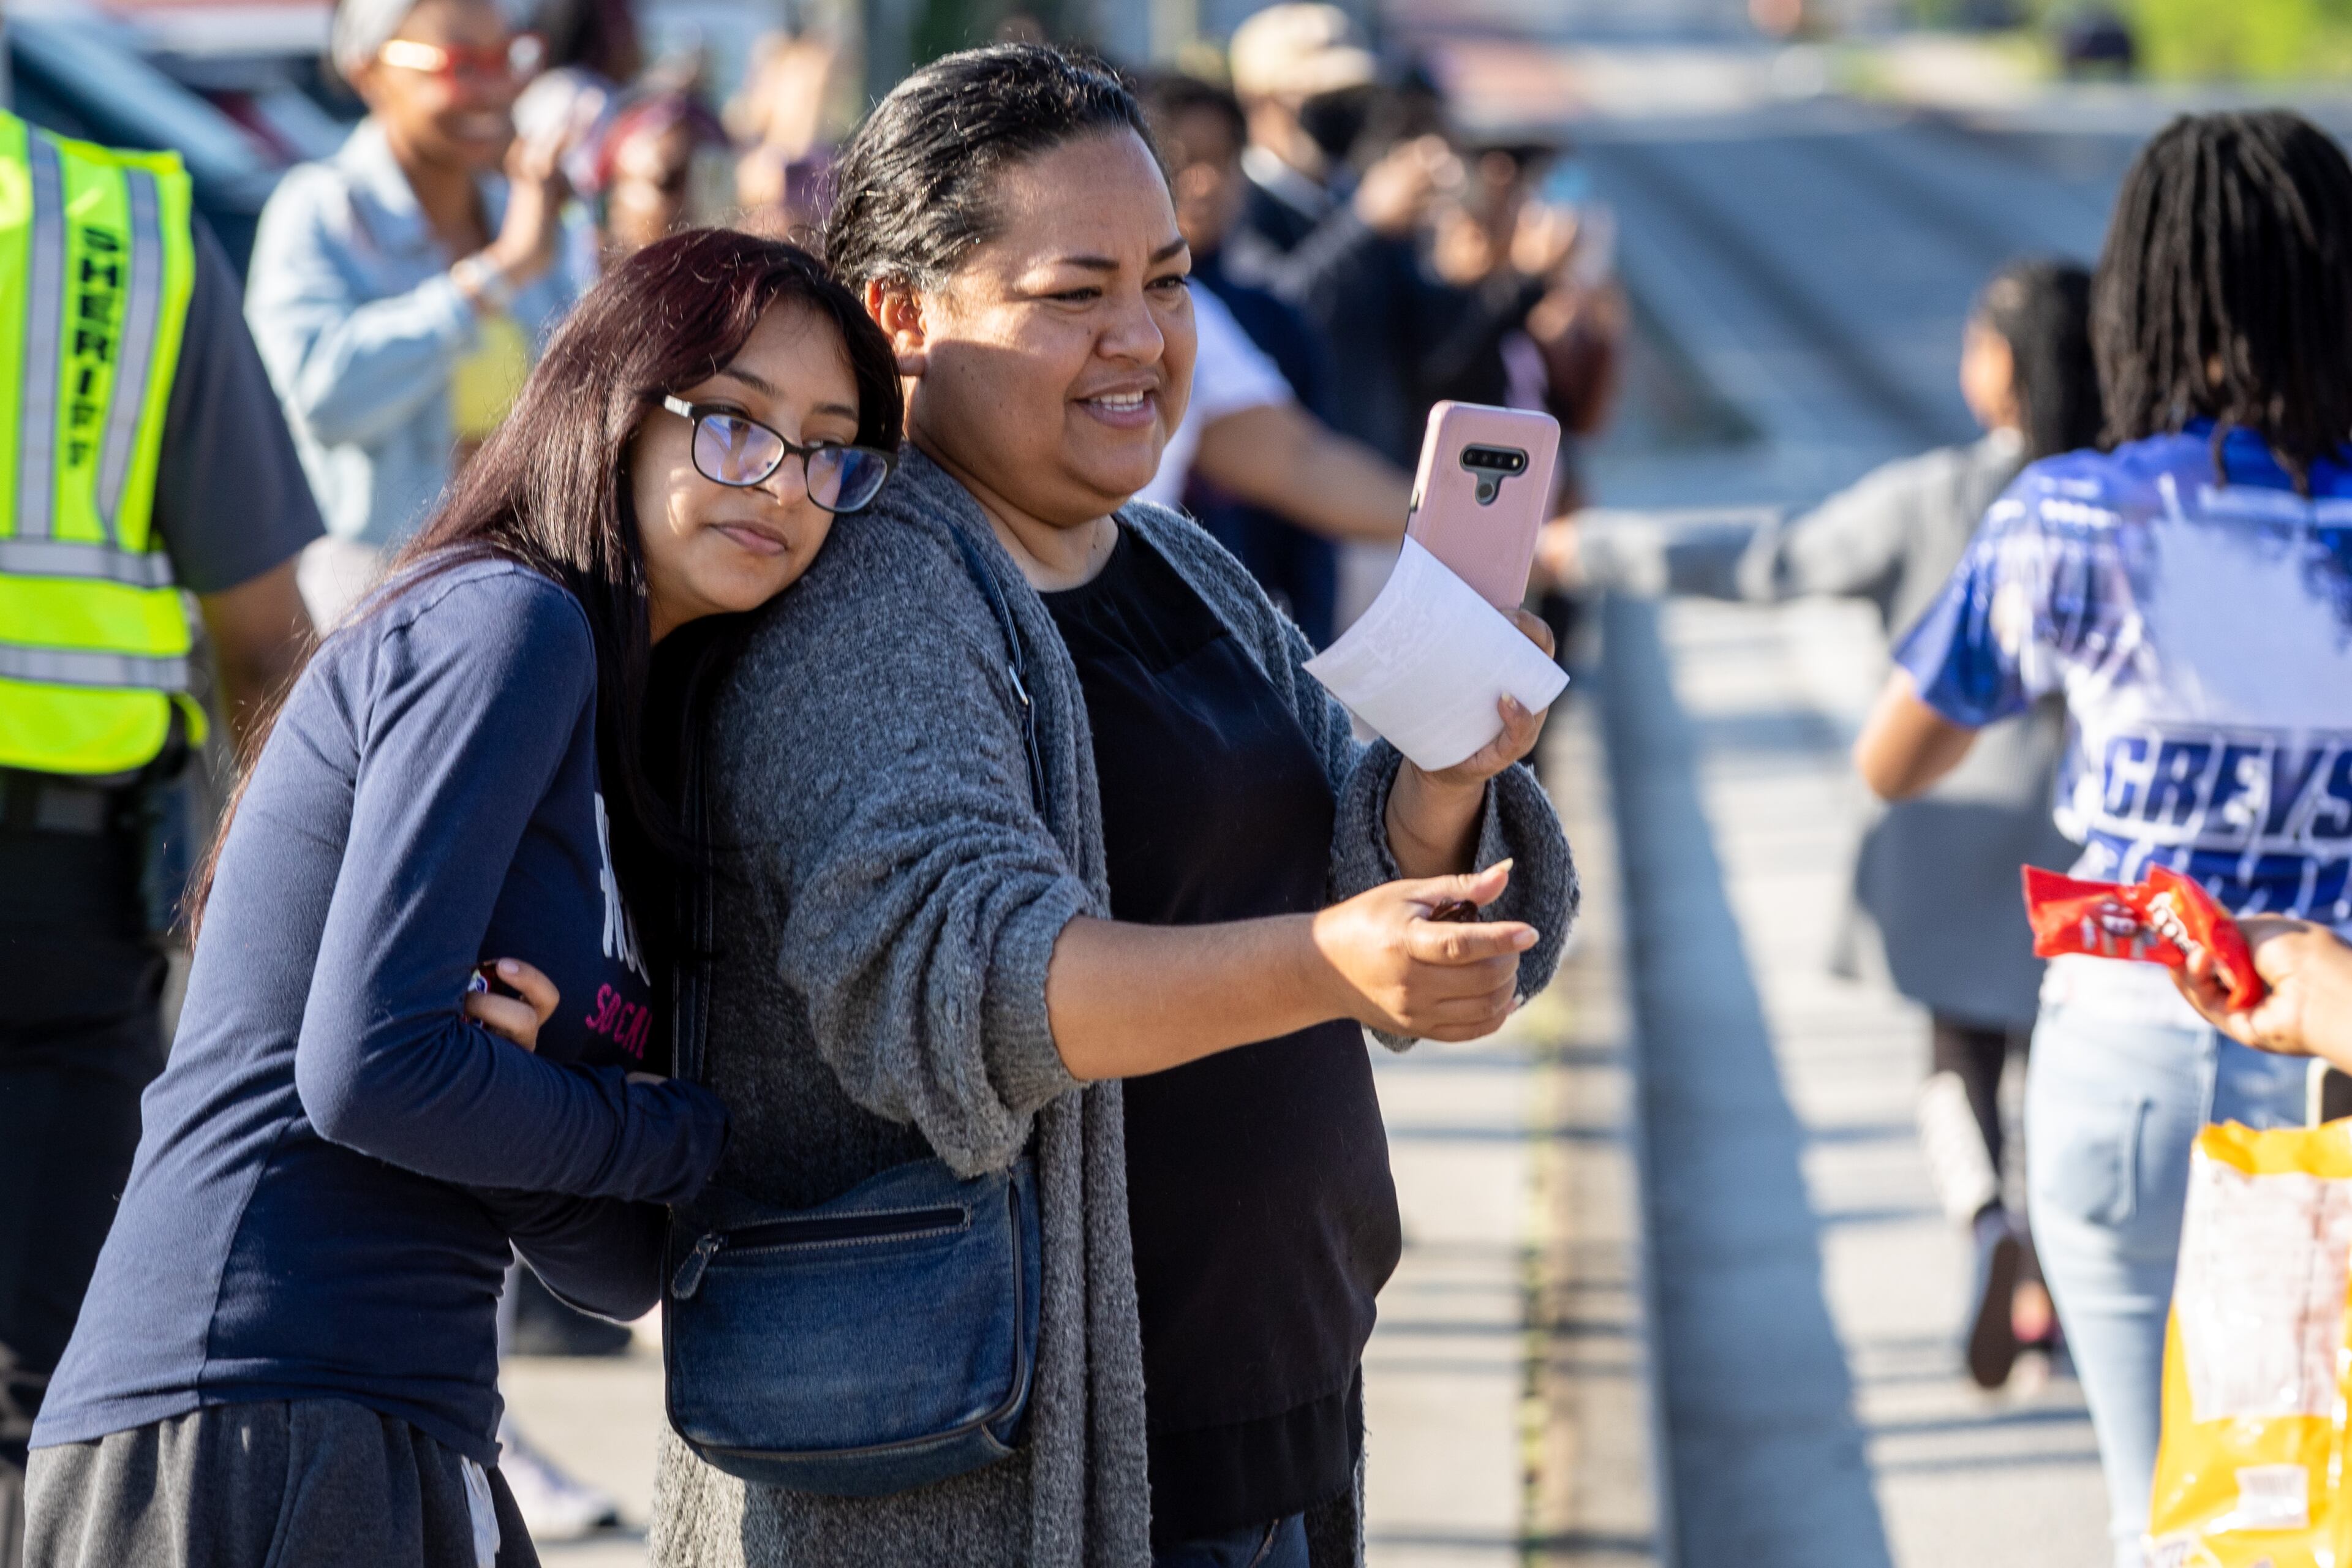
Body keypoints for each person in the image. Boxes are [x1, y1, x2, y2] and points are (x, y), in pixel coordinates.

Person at [650, 45, 1575, 1568]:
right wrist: (1333, 957)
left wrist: (1437, 791)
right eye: (1073, 293)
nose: (1142, 337)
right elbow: (966, 981)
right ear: (902, 318)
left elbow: (1329, 858)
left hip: (1272, 1427)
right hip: (1026, 1489)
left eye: (1168, 278)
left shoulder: (1175, 561)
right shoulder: (870, 602)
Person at [23, 229, 900, 1568]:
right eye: (731, 422)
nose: (782, 480)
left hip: (405, 1418)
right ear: (613, 401)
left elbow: (608, 1268)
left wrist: (537, 1108)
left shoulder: (629, 739)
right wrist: (667, 1129)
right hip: (251, 1411)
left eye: (829, 446)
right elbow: (372, 1073)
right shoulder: (510, 621)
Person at [1852, 111, 2352, 1566]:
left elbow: (1893, 752)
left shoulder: (2065, 516)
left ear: (2140, 296)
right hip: (2314, 1054)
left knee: (2156, 1519)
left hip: (2120, 1043)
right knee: (2273, 1523)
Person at [1559, 258, 2104, 1385]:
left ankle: (1985, 1219)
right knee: (2066, 1062)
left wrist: (1587, 547)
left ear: (1998, 367)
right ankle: (2053, 1272)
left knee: (1957, 1052)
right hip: (2086, 841)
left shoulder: (1934, 497)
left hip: (1940, 817)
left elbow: (1767, 558)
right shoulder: (2126, 503)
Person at [0, 107, 321, 1566]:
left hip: (71, 909)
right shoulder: (116, 232)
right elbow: (264, 640)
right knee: (47, 1386)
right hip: (63, 901)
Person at [247, 0, 590, 627]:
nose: (492, 89)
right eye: (460, 65)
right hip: (365, 605)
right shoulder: (321, 211)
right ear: (367, 69)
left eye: (505, 60)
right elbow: (318, 397)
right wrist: (494, 275)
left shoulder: (526, 210)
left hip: (517, 594)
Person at [1145, 70, 1403, 644]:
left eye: (1223, 159)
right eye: (1181, 161)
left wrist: (1462, 530)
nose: (1205, 182)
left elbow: (1302, 463)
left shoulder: (1202, 315)